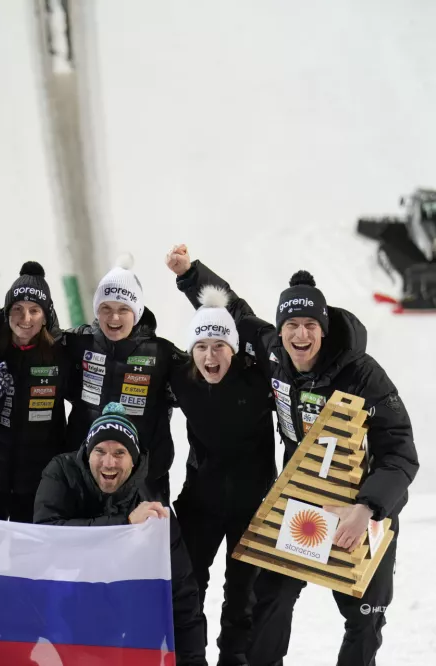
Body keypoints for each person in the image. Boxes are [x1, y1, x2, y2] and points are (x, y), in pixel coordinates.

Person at [169, 245, 419, 666]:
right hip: (302, 500)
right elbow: (234, 310)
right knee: (269, 598)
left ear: (322, 329)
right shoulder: (273, 354)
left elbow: (401, 451)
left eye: (309, 326)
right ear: (281, 330)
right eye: (291, 326)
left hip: (360, 509)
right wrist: (190, 273)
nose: (300, 336)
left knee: (364, 617)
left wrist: (368, 507)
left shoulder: (363, 374)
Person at [0, 254, 184, 503]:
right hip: (84, 473)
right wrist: (1, 325)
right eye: (106, 309)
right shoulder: (80, 342)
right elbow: (41, 336)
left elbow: (203, 380)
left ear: (138, 311)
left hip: (143, 478)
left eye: (124, 309)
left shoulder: (162, 354)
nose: (114, 318)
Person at [161, 251, 278, 666]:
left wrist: (192, 276)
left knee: (243, 600)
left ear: (235, 349)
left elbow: (239, 312)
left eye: (220, 347)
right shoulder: (180, 377)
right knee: (187, 589)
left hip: (254, 508)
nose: (211, 357)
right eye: (202, 347)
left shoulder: (258, 375)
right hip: (201, 503)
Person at [34, 402, 207, 666]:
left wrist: (194, 662)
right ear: (88, 452)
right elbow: (48, 536)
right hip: (61, 604)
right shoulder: (61, 473)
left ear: (134, 459)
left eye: (120, 452)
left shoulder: (152, 505)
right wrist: (124, 525)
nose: (108, 462)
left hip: (123, 616)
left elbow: (183, 595)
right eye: (100, 451)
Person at [0, 261, 69, 523]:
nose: (26, 318)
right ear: (7, 312)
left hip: (37, 482)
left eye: (35, 310)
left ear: (46, 316)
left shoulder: (61, 357)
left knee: (29, 561)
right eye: (18, 309)